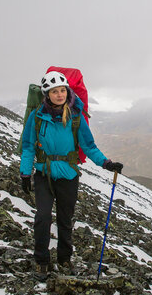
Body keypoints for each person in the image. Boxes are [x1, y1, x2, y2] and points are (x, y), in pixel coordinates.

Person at [19, 71, 123, 281]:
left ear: (68, 91)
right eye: (55, 91)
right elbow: (29, 146)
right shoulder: (37, 116)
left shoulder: (76, 116)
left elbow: (88, 145)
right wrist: (24, 173)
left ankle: (64, 260)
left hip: (68, 175)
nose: (59, 95)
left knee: (65, 220)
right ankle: (42, 261)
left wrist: (106, 163)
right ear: (47, 95)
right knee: (43, 217)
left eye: (63, 90)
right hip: (43, 174)